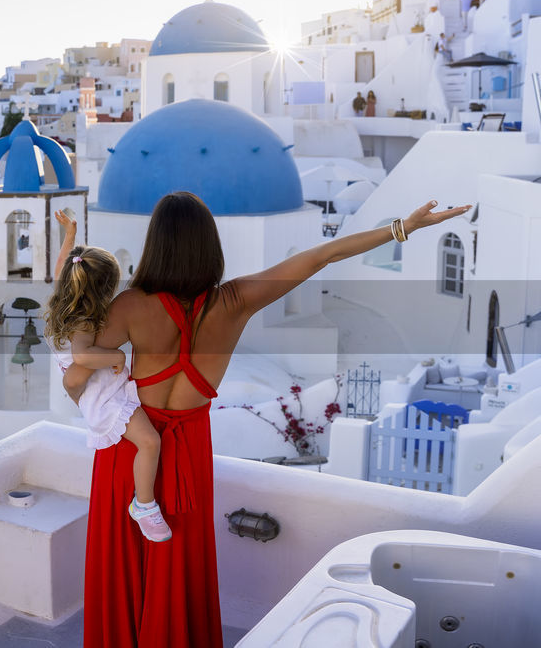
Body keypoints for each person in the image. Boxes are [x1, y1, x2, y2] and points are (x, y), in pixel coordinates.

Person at [80, 192, 471, 647]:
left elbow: (77, 360)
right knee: (177, 562)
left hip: (128, 452)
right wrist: (401, 228)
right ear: (210, 246)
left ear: (156, 244)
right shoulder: (234, 302)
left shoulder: (129, 306)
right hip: (186, 454)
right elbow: (320, 256)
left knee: (121, 563)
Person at [45, 210, 171, 542]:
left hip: (95, 393)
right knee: (150, 442)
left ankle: (143, 503)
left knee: (148, 441)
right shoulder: (84, 321)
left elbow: (62, 267)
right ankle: (143, 504)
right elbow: (82, 357)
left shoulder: (60, 304)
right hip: (106, 398)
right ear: (102, 291)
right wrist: (116, 354)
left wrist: (70, 237)